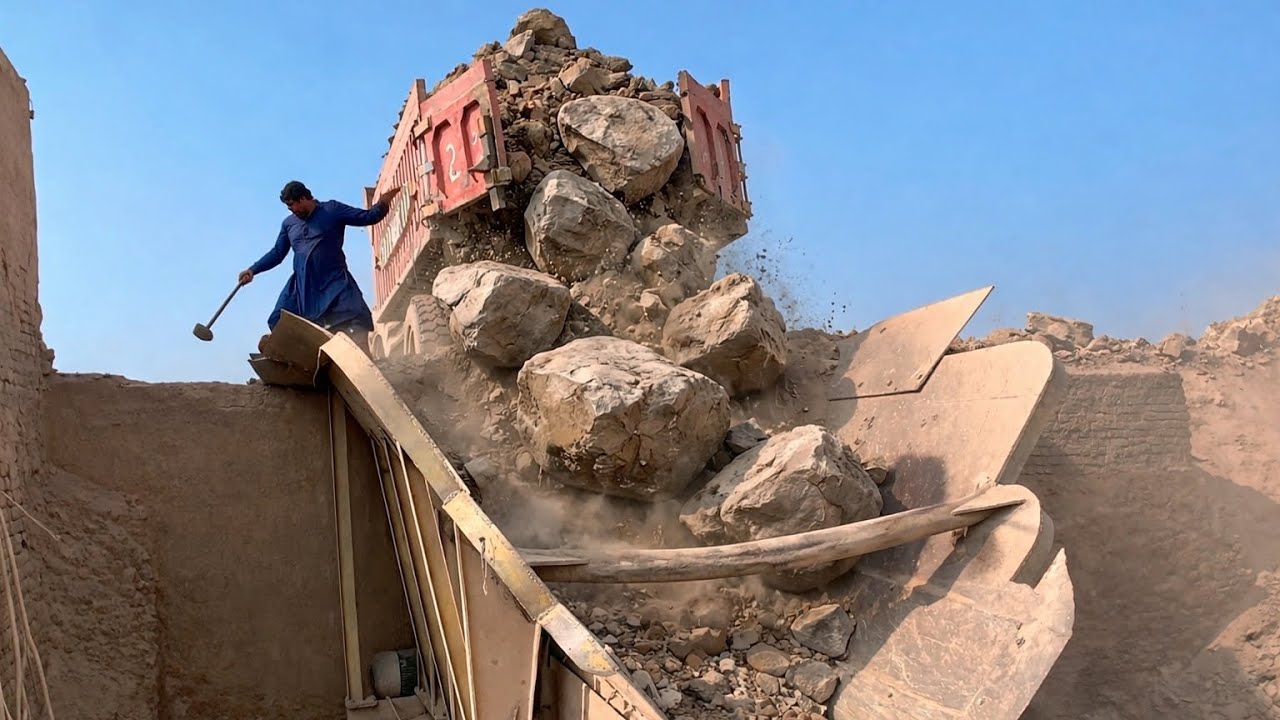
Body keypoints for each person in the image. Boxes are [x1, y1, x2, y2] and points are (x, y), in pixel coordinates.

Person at [240, 180, 400, 356]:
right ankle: (289, 359)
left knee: (355, 318)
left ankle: (362, 360)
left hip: (334, 281)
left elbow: (369, 217)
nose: (291, 210)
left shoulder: (332, 210)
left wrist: (385, 199)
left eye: (292, 205)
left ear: (303, 198)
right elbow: (277, 253)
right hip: (302, 287)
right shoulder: (289, 224)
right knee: (279, 320)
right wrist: (253, 270)